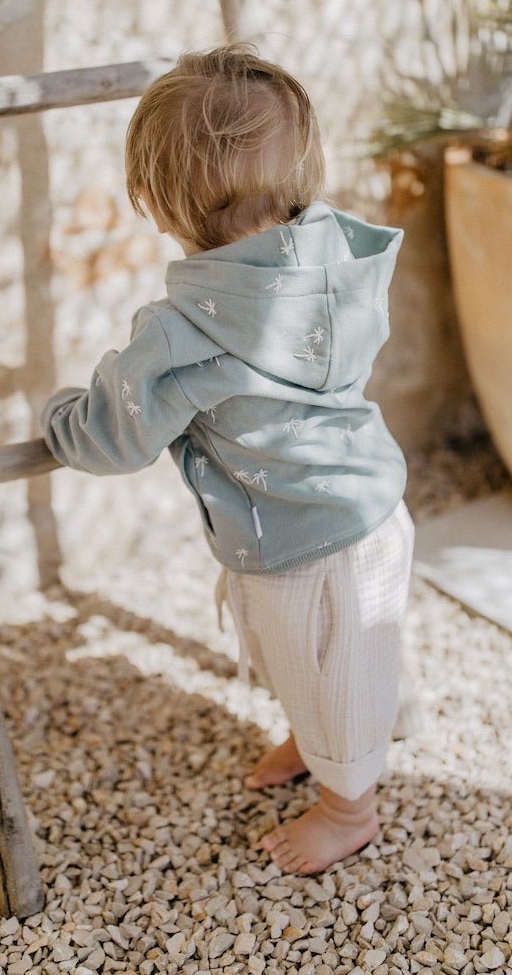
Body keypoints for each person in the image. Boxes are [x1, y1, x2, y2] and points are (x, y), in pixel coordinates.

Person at [41, 45, 415, 874]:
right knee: (335, 652)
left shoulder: (184, 332)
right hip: (371, 503)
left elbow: (114, 432)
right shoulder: (333, 254)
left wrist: (57, 418)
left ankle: (347, 807)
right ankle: (320, 732)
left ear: (152, 198)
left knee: (331, 662)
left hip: (300, 542)